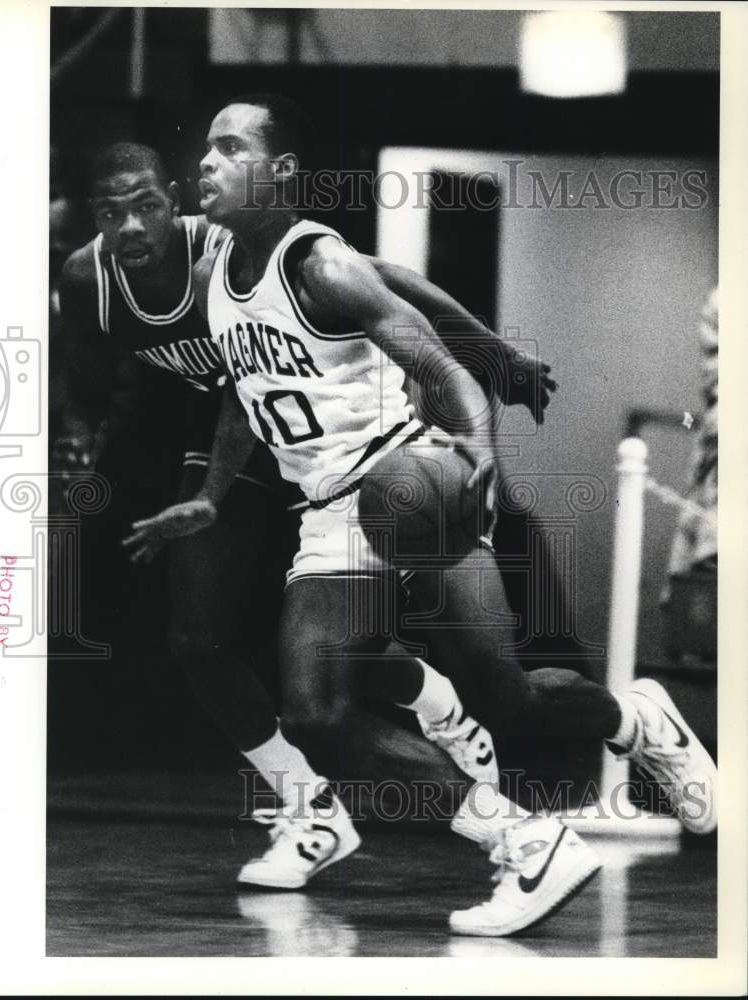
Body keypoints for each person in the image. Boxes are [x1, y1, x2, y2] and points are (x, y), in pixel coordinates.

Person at [127, 94, 716, 936]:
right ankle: (525, 842)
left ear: (281, 172)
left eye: (229, 149)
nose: (206, 164)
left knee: (505, 697)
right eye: (207, 150)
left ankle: (635, 719)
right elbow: (246, 383)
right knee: (316, 718)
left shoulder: (317, 267)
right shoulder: (221, 261)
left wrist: (479, 443)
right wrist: (213, 495)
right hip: (331, 515)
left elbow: (441, 368)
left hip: (407, 486)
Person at [57, 140, 526, 895]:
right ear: (94, 219)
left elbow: (384, 279)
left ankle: (444, 720)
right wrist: (79, 437)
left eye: (147, 205)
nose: (134, 225)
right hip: (221, 435)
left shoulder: (220, 239)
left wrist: (491, 346)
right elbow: (81, 375)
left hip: (295, 438)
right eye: (113, 213)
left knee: (315, 646)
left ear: (170, 198)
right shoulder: (87, 278)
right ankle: (313, 808)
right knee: (200, 640)